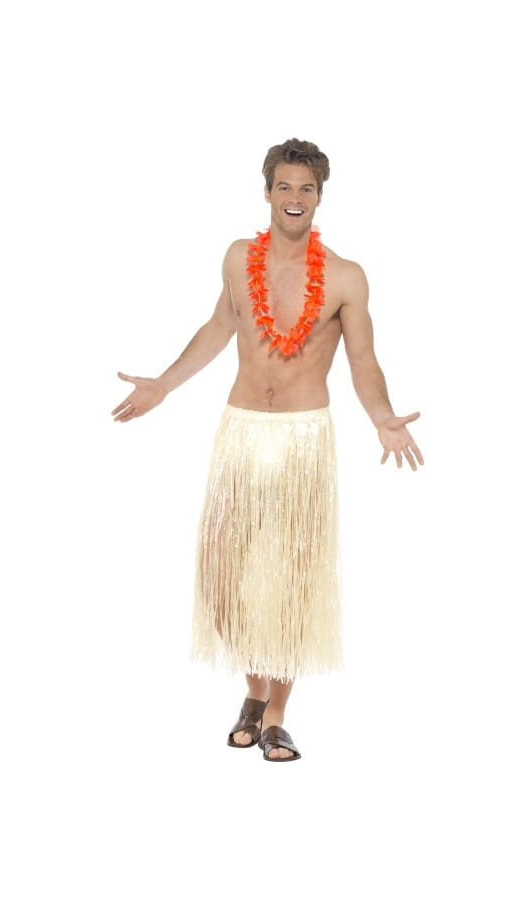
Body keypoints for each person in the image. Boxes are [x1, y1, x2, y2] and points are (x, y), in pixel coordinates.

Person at [111, 138, 422, 761]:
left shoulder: (345, 277)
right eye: (285, 187)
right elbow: (220, 326)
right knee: (224, 575)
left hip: (304, 436)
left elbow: (363, 361)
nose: (295, 198)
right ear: (267, 193)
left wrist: (383, 417)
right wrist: (164, 385)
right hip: (242, 430)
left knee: (292, 578)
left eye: (306, 189)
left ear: (320, 197)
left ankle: (275, 713)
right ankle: (253, 692)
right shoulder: (237, 258)